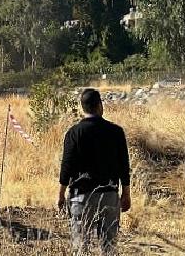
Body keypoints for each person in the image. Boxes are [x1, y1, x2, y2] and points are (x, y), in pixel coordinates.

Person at [57, 88, 131, 255]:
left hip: (81, 197)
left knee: (81, 246)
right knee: (109, 247)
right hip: (109, 194)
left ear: (83, 107)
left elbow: (66, 166)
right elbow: (123, 166)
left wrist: (61, 195)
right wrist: (126, 194)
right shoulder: (116, 132)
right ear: (99, 106)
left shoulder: (73, 133)